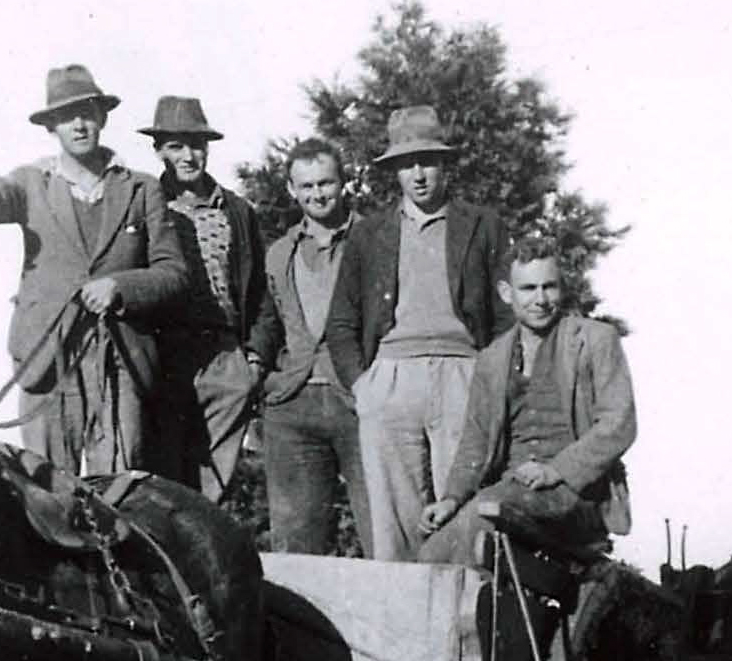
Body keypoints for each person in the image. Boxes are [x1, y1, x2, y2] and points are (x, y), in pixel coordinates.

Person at [0, 64, 186, 473]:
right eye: (67, 117)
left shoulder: (141, 188)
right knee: (47, 486)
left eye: (87, 113)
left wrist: (119, 287)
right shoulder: (31, 183)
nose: (79, 125)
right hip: (47, 362)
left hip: (120, 361)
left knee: (121, 487)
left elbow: (174, 273)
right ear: (51, 126)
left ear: (102, 118)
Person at [323, 105, 508, 560]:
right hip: (391, 378)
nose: (419, 175)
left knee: (464, 510)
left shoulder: (482, 225)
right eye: (407, 165)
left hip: (463, 374)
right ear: (395, 172)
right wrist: (363, 386)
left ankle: (464, 604)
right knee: (394, 525)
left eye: (427, 162)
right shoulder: (370, 234)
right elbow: (341, 321)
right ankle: (400, 606)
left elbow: (506, 315)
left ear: (444, 165)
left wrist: (493, 378)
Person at [417, 233, 635, 565]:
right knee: (432, 551)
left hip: (576, 493)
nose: (541, 299)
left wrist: (556, 471)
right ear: (507, 293)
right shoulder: (491, 359)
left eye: (550, 287)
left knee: (482, 517)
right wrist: (451, 499)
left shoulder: (595, 340)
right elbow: (475, 443)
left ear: (561, 288)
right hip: (510, 488)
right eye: (529, 288)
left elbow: (618, 424)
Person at [142, 96, 281, 504]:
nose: (188, 156)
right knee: (163, 477)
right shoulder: (146, 202)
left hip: (224, 354)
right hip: (166, 356)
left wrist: (254, 361)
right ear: (159, 151)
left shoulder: (236, 209)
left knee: (214, 486)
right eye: (176, 146)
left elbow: (259, 291)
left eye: (197, 145)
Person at [261, 139, 371, 555]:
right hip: (294, 402)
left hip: (359, 399)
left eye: (326, 183)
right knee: (296, 544)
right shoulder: (279, 253)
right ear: (292, 190)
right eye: (306, 186)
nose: (317, 194)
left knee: (384, 530)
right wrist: (265, 378)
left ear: (343, 183)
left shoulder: (375, 239)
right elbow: (267, 321)